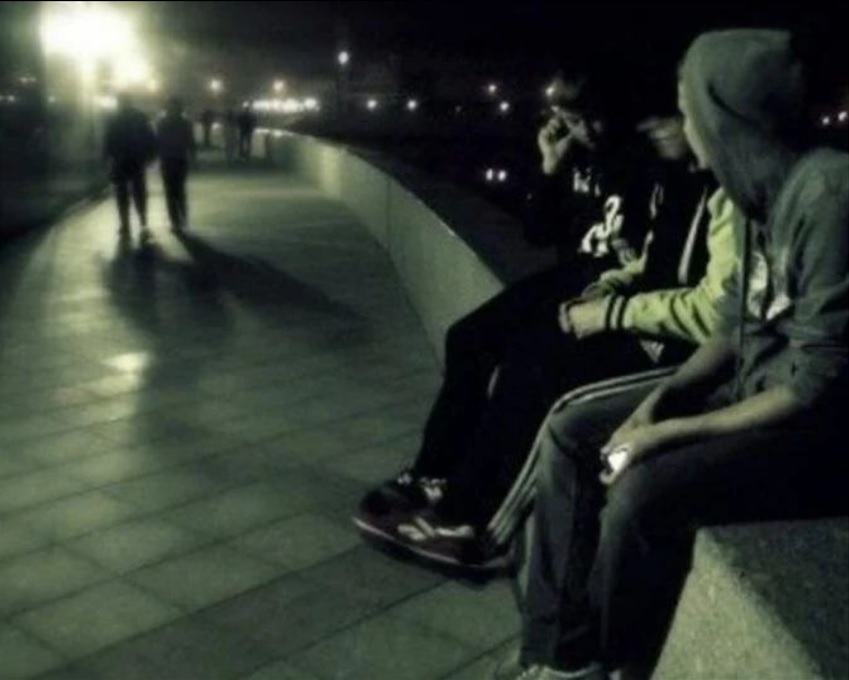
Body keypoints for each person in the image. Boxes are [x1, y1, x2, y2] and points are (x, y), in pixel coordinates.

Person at [507, 29, 848, 680]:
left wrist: (667, 434)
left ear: (729, 115)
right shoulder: (752, 192)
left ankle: (612, 664)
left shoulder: (828, 197)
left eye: (690, 114)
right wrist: (661, 402)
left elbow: (815, 387)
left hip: (814, 434)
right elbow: (731, 328)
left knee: (640, 494)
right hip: (752, 388)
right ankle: (557, 653)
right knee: (575, 434)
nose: (683, 131)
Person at [353, 59, 731, 569]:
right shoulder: (637, 166)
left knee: (534, 368)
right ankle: (438, 477)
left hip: (643, 320)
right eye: (570, 120)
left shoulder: (667, 168)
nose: (584, 129)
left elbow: (705, 298)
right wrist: (552, 167)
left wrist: (610, 300)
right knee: (476, 339)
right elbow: (542, 231)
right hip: (599, 289)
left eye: (676, 117)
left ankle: (474, 520)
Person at [103, 94, 157, 244]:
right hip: (136, 159)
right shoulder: (140, 117)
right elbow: (150, 136)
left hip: (121, 160)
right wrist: (151, 155)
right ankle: (142, 220)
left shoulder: (114, 118)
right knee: (139, 191)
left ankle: (125, 224)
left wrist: (107, 156)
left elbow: (108, 139)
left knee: (122, 194)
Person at [156, 97, 197, 232]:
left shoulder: (163, 123)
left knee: (175, 190)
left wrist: (193, 156)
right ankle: (177, 218)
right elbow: (190, 141)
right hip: (173, 159)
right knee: (174, 190)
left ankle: (178, 218)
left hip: (174, 159)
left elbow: (190, 141)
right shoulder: (183, 123)